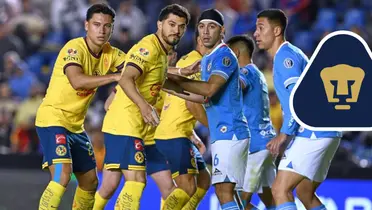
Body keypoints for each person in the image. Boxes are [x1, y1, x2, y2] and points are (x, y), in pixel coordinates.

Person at [93, 4, 191, 210]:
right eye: (171, 24)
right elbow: (127, 78)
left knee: (114, 185)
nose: (176, 30)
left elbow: (159, 83)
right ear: (159, 24)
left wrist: (201, 91)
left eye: (181, 27)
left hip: (144, 131)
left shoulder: (164, 54)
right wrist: (144, 106)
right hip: (125, 124)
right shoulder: (148, 48)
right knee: (136, 181)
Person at [35, 3, 125, 210]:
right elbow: (77, 81)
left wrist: (116, 91)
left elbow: (138, 70)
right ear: (86, 25)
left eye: (107, 26)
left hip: (76, 127)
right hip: (53, 120)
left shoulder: (112, 53)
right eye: (96, 24)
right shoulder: (74, 48)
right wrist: (114, 77)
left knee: (90, 182)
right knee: (62, 176)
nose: (101, 30)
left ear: (112, 28)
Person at [253, 9, 342, 210]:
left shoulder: (285, 59)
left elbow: (297, 101)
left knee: (279, 190)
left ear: (276, 30)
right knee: (304, 192)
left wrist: (284, 135)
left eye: (261, 28)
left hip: (314, 131)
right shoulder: (292, 53)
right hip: (327, 130)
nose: (256, 34)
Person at [167, 9, 250, 210]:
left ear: (222, 31)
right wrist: (166, 84)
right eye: (202, 27)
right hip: (225, 133)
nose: (205, 32)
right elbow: (200, 96)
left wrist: (179, 79)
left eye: (211, 27)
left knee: (223, 192)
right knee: (231, 195)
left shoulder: (224, 55)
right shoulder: (208, 59)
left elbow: (209, 89)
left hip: (230, 132)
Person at [154, 29, 211, 210]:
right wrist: (215, 128)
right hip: (174, 135)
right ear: (200, 41)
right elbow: (191, 105)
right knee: (187, 186)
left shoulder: (188, 61)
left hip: (179, 133)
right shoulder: (196, 64)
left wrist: (193, 135)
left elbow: (179, 102)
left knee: (203, 180)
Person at [227, 35, 276, 210]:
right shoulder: (257, 72)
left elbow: (237, 86)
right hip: (265, 142)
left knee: (238, 199)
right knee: (272, 200)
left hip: (256, 145)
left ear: (236, 53)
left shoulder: (246, 72)